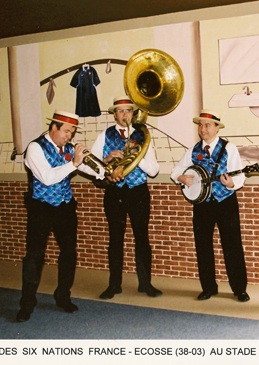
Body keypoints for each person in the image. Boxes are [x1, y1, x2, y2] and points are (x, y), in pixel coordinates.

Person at [17, 110, 105, 322]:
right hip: (41, 207)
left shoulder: (67, 148)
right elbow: (47, 178)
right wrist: (74, 163)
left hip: (65, 206)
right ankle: (27, 303)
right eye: (66, 131)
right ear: (53, 127)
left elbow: (88, 167)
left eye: (72, 132)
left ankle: (62, 295)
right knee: (34, 256)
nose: (69, 136)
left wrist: (104, 170)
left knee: (68, 253)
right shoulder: (34, 148)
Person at [171, 109, 249, 302]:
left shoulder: (229, 148)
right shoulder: (193, 150)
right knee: (203, 246)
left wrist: (231, 183)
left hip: (225, 202)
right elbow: (175, 171)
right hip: (202, 205)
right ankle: (208, 287)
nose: (202, 128)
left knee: (232, 246)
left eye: (207, 125)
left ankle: (239, 289)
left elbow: (240, 176)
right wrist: (181, 177)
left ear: (216, 127)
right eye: (200, 125)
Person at [90, 95, 161, 299]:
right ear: (114, 115)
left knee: (142, 238)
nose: (125, 115)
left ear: (133, 113)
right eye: (120, 111)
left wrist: (136, 158)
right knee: (115, 239)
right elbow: (92, 167)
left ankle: (145, 284)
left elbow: (154, 170)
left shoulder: (143, 135)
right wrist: (106, 159)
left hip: (138, 191)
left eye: (128, 111)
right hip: (115, 192)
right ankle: (114, 285)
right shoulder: (104, 135)